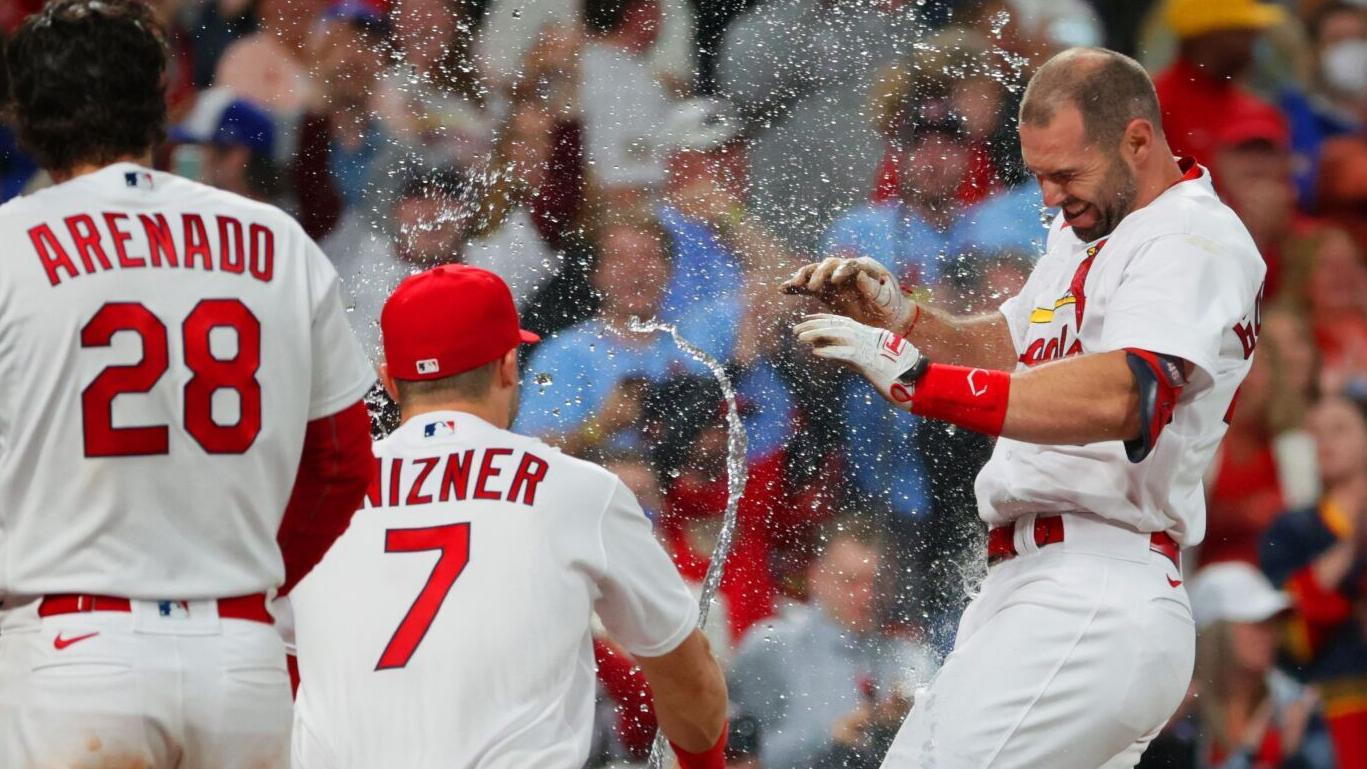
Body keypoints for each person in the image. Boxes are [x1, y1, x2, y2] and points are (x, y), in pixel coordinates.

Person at [786, 47, 1265, 768]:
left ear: (1137, 139)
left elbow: (1121, 393)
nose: (1047, 198)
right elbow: (1011, 352)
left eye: (1064, 174)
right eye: (1038, 175)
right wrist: (904, 321)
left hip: (1096, 586)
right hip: (1037, 584)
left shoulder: (1191, 236)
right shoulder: (1087, 233)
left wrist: (916, 377)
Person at [0, 3, 376, 767]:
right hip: (240, 657)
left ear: (23, 118)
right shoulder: (275, 238)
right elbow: (341, 463)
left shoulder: (8, 244)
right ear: (167, 101)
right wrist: (247, 578)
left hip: (69, 648)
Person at [287, 264, 729, 769]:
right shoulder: (577, 490)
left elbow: (278, 668)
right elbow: (687, 678)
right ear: (508, 366)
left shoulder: (312, 496)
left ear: (388, 381)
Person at [726, 519, 938, 769]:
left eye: (876, 583)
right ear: (816, 576)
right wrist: (830, 740)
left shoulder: (910, 659)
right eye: (851, 581)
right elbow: (737, 760)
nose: (867, 596)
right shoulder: (771, 647)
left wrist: (905, 722)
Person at [1138, 562, 1337, 769]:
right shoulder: (1180, 714)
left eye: (1272, 622)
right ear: (1216, 634)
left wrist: (1292, 757)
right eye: (1255, 623)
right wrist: (1155, 737)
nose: (1268, 634)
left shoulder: (1295, 706)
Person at [1261, 396, 1367, 767]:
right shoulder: (1291, 529)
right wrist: (1348, 549)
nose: (1325, 442)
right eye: (1315, 434)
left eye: (1339, 430)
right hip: (1331, 709)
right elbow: (1286, 634)